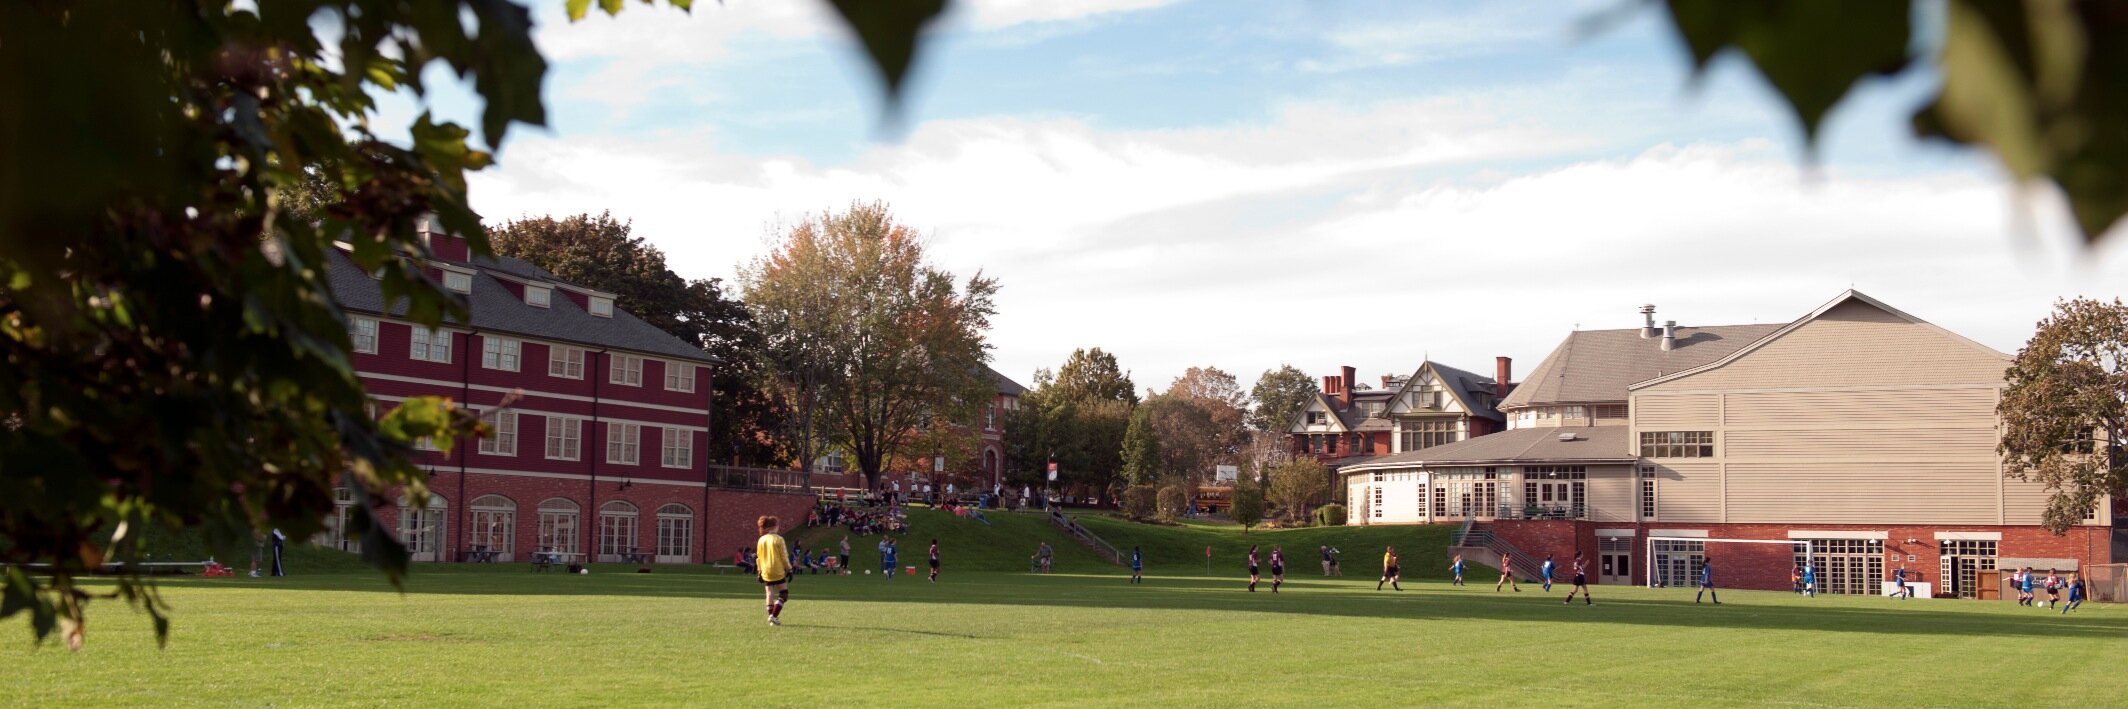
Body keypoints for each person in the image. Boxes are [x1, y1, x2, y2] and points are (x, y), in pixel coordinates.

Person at [755, 515, 791, 626]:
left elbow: (758, 557)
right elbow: (784, 556)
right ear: (775, 526)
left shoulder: (761, 539)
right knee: (784, 593)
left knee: (769, 593)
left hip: (765, 570)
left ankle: (772, 618)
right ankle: (773, 616)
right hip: (777, 569)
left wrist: (759, 571)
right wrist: (789, 569)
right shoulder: (779, 539)